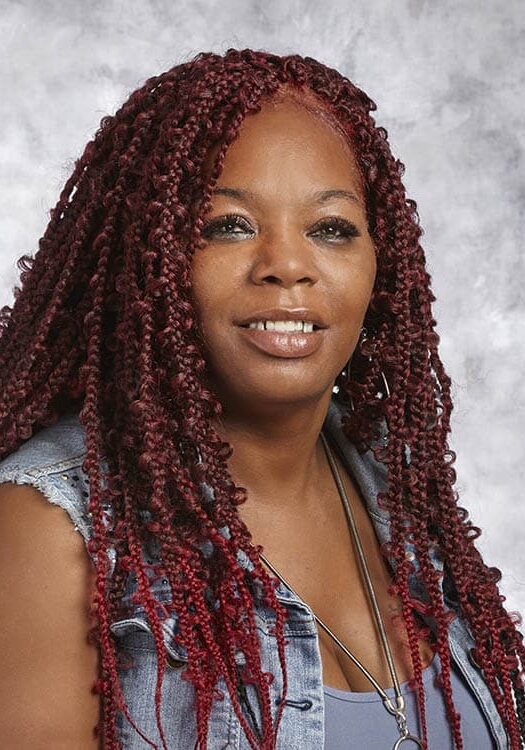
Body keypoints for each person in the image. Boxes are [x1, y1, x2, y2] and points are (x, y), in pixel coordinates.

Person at [0, 48, 522, 750]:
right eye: (228, 226)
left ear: (380, 262)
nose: (287, 265)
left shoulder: (392, 484)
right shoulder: (49, 530)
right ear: (145, 257)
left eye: (330, 229)